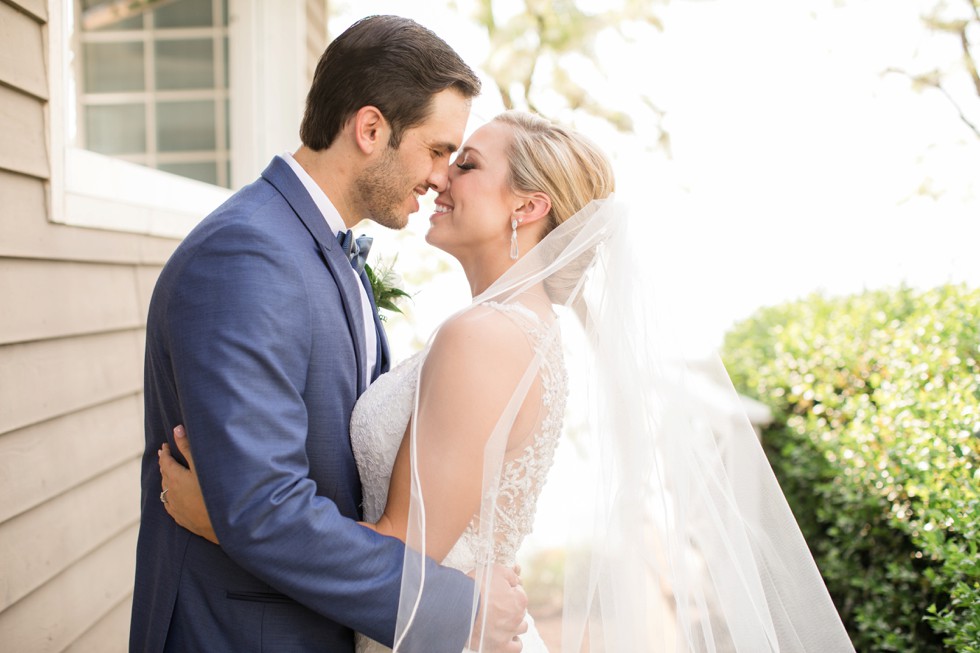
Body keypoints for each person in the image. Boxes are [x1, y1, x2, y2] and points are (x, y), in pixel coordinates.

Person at [160, 110, 858, 651]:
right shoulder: (520, 327)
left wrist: (228, 521)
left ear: (527, 207)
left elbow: (404, 552)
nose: (440, 178)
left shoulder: (483, 337)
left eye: (466, 164)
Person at [131, 15, 528, 653]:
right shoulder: (247, 254)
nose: (440, 177)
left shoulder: (322, 252)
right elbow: (263, 508)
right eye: (436, 150)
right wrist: (459, 606)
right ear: (371, 129)